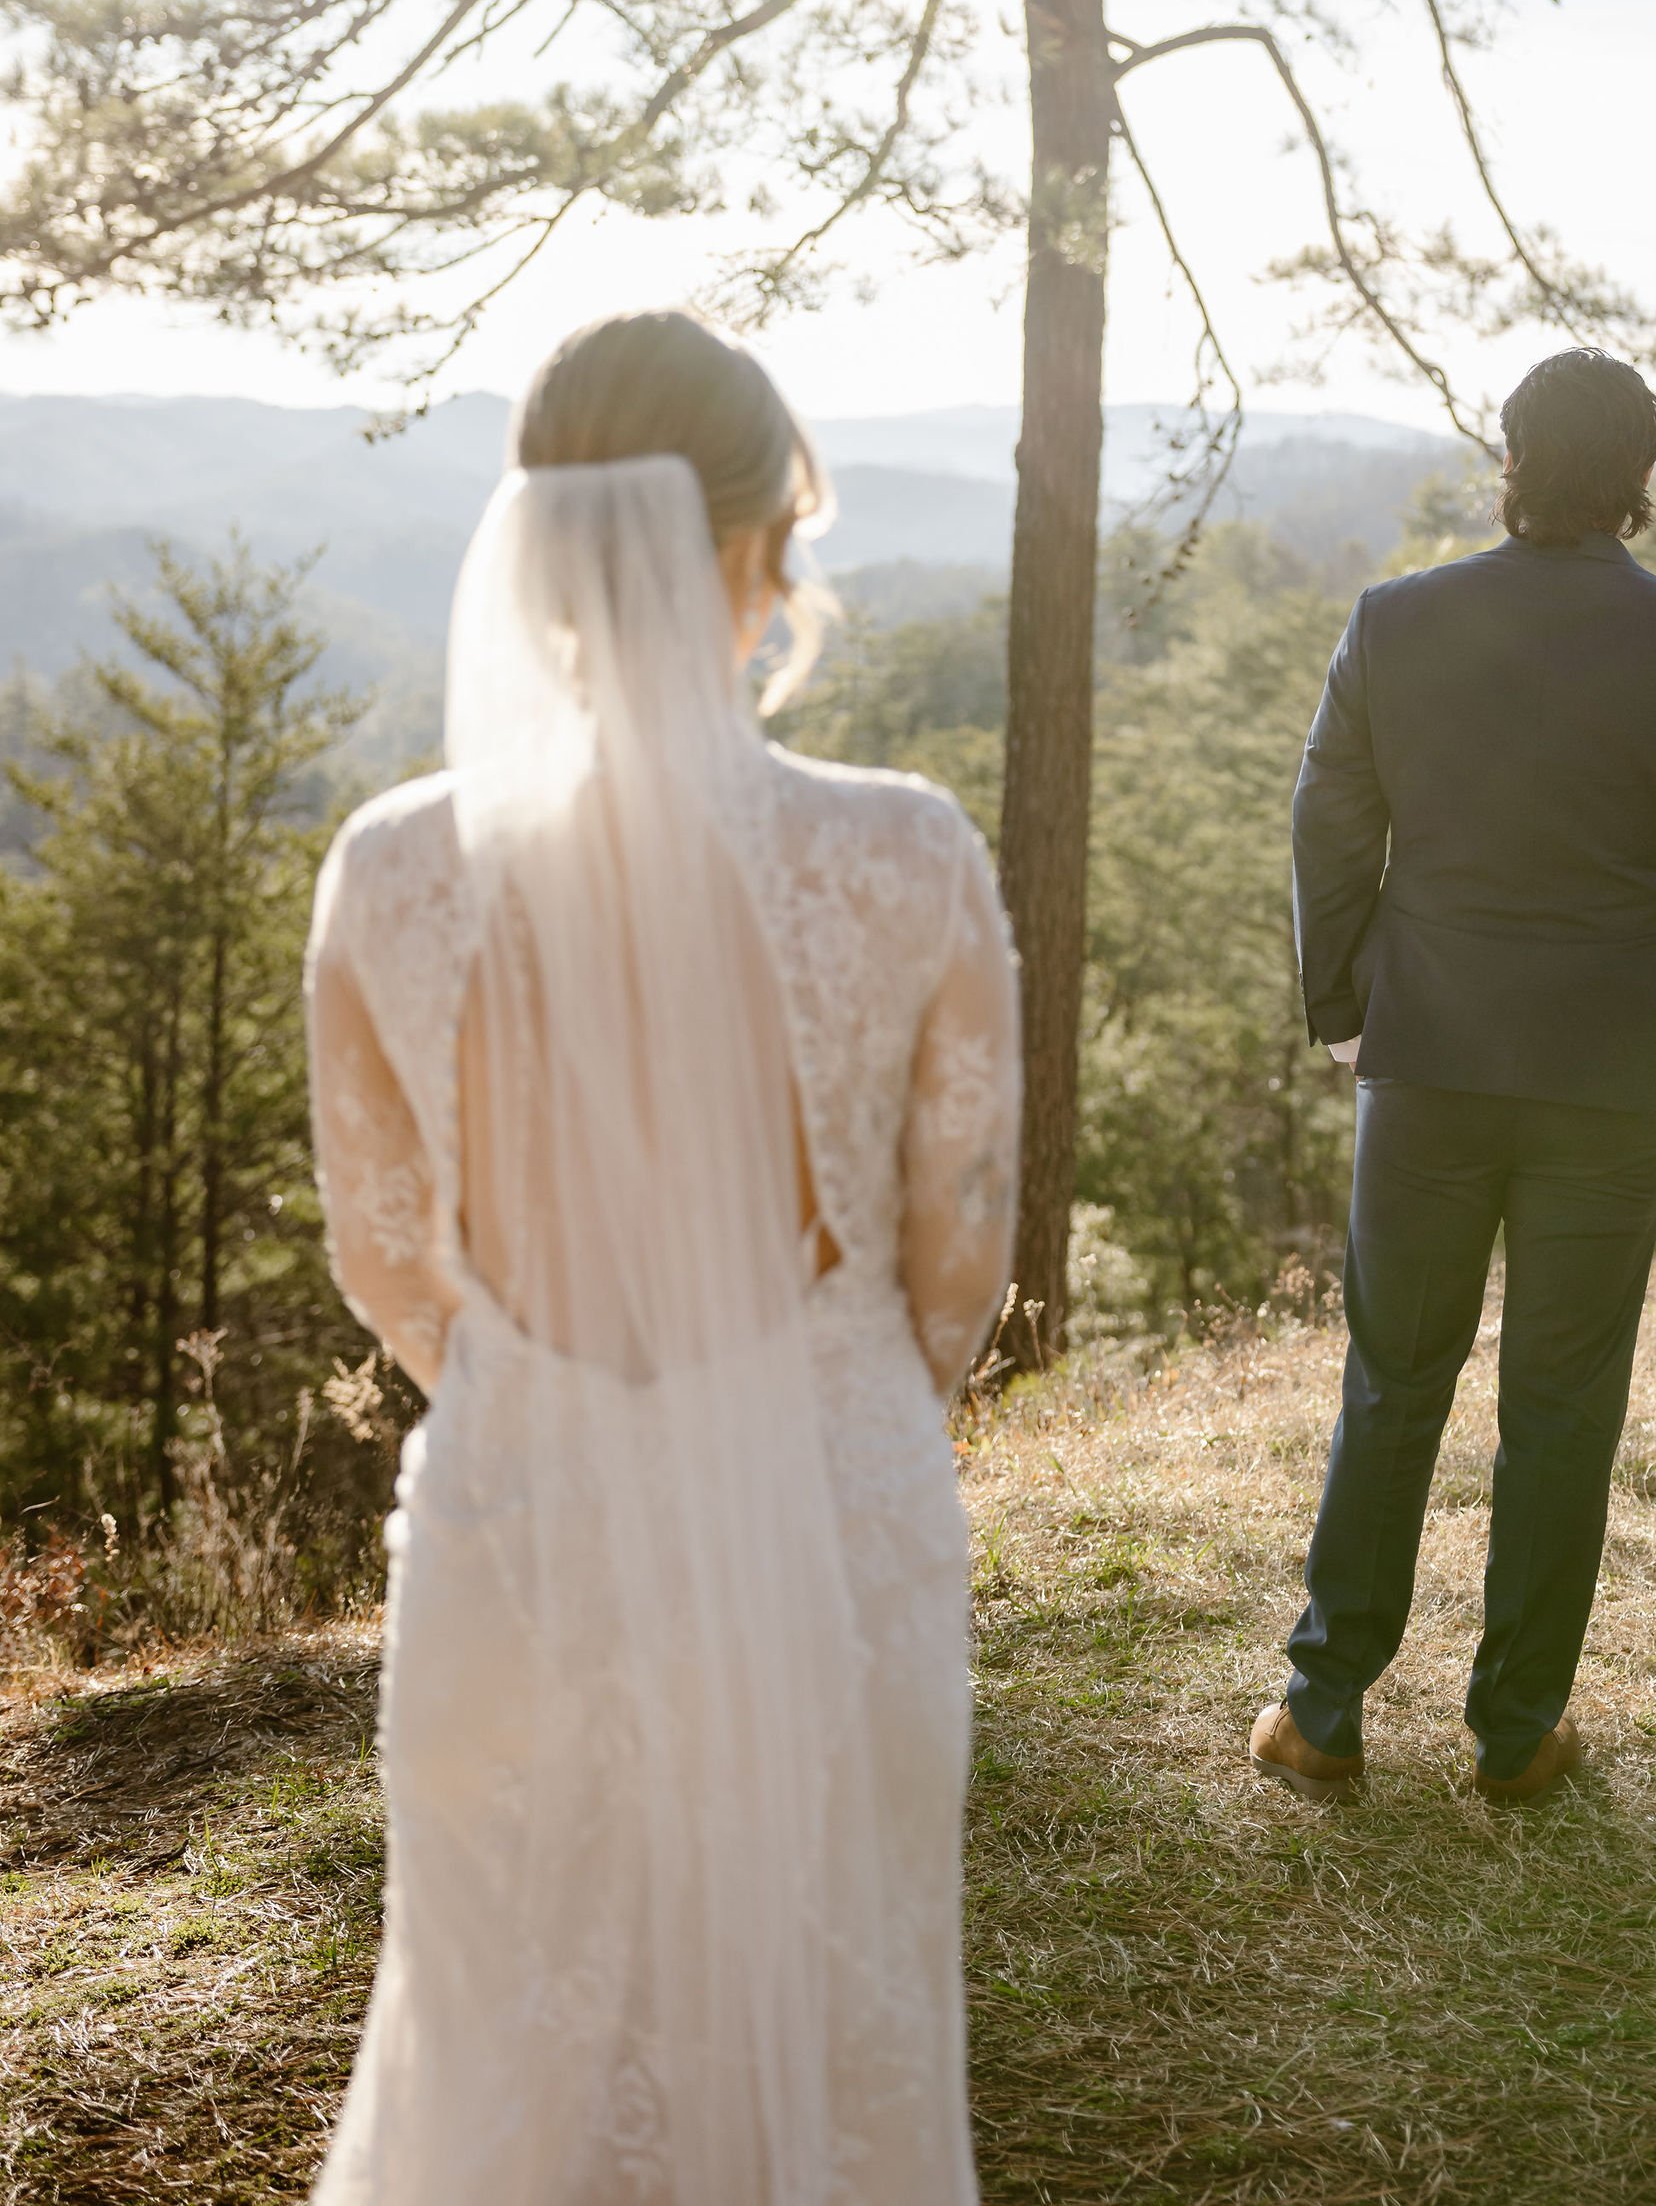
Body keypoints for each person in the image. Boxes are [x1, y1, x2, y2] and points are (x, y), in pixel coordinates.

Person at [304, 309, 1020, 2203]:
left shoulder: (389, 873)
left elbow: (389, 1267)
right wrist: (802, 1407)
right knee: (837, 2043)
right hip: (834, 1508)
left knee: (495, 2052)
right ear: (750, 547)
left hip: (519, 1519)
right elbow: (957, 1262)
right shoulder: (903, 856)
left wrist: (565, 1410)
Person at [1251, 349, 1656, 1806]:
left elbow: (1327, 824)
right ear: (1642, 479)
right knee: (1563, 1403)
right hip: (1617, 1082)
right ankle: (1517, 1733)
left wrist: (1343, 1012)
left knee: (1394, 1380)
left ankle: (1322, 1709)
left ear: (1509, 458)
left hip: (1424, 1057)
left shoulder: (1396, 622)